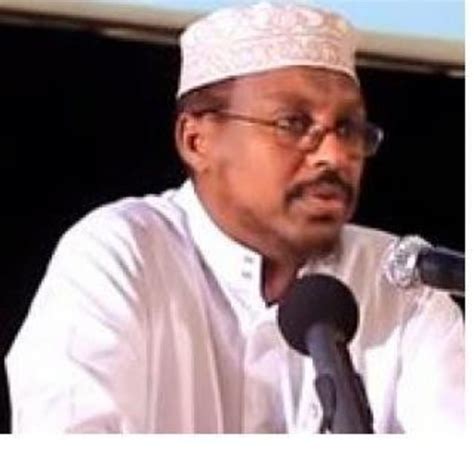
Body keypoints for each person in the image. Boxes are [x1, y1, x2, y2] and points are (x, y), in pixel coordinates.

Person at [5, 1, 464, 433]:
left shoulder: (402, 284)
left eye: (347, 128)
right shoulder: (121, 254)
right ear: (196, 141)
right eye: (293, 124)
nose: (335, 154)